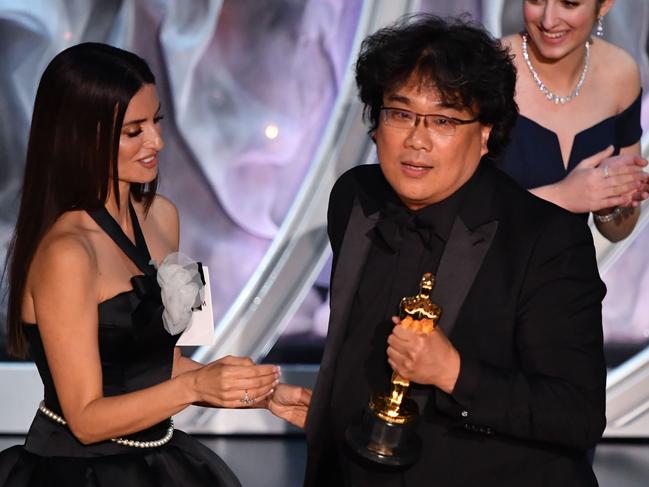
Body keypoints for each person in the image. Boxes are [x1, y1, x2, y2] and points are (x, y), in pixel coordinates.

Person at [289, 14, 608, 486]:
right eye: (400, 114)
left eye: (442, 119)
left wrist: (454, 372)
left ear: (485, 133)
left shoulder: (547, 239)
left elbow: (576, 413)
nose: (416, 140)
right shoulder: (355, 198)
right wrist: (328, 411)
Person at [0, 43, 282, 486]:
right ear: (83, 135)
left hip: (159, 458)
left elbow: (166, 364)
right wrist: (197, 387)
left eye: (157, 122)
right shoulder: (66, 254)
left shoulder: (165, 217)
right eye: (135, 131)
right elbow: (87, 419)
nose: (158, 142)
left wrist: (265, 394)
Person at [497, 0, 649, 242]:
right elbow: (455, 214)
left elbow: (620, 230)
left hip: (570, 273)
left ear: (604, 6)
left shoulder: (621, 76)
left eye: (569, 3)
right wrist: (563, 197)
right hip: (491, 273)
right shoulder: (488, 71)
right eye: (536, 0)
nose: (548, 20)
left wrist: (609, 203)